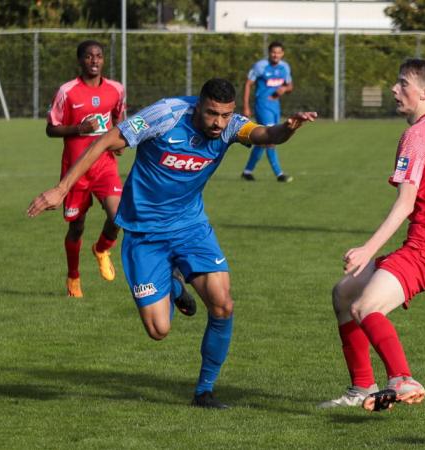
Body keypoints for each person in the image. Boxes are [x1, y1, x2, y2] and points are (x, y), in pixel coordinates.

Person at [28, 78, 317, 408]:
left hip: (190, 228)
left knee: (223, 304)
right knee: (158, 329)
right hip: (144, 233)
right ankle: (175, 285)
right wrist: (62, 188)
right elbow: (107, 140)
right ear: (198, 106)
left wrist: (289, 127)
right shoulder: (165, 114)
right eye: (211, 114)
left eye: (225, 115)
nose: (218, 123)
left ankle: (204, 391)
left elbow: (266, 135)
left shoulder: (231, 127)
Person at [319, 59, 425, 412]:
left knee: (365, 306)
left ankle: (402, 379)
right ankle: (361, 388)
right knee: (345, 293)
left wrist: (366, 249)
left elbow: (405, 204)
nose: (394, 90)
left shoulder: (417, 134)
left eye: (403, 84)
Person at [46, 40, 126, 298]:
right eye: (89, 56)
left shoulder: (116, 89)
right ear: (80, 61)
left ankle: (102, 248)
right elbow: (51, 128)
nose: (94, 60)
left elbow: (119, 120)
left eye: (99, 56)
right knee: (77, 227)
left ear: (103, 60)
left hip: (104, 165)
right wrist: (78, 129)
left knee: (118, 216)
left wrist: (119, 142)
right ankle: (73, 277)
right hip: (75, 170)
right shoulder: (67, 91)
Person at [240, 41, 294, 182]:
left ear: (282, 54)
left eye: (278, 52)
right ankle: (279, 174)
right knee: (271, 139)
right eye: (273, 52)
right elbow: (248, 83)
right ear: (269, 53)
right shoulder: (260, 66)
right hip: (262, 106)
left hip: (275, 107)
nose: (276, 55)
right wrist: (246, 106)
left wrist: (284, 89)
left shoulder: (285, 67)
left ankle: (247, 171)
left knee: (262, 141)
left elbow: (290, 86)